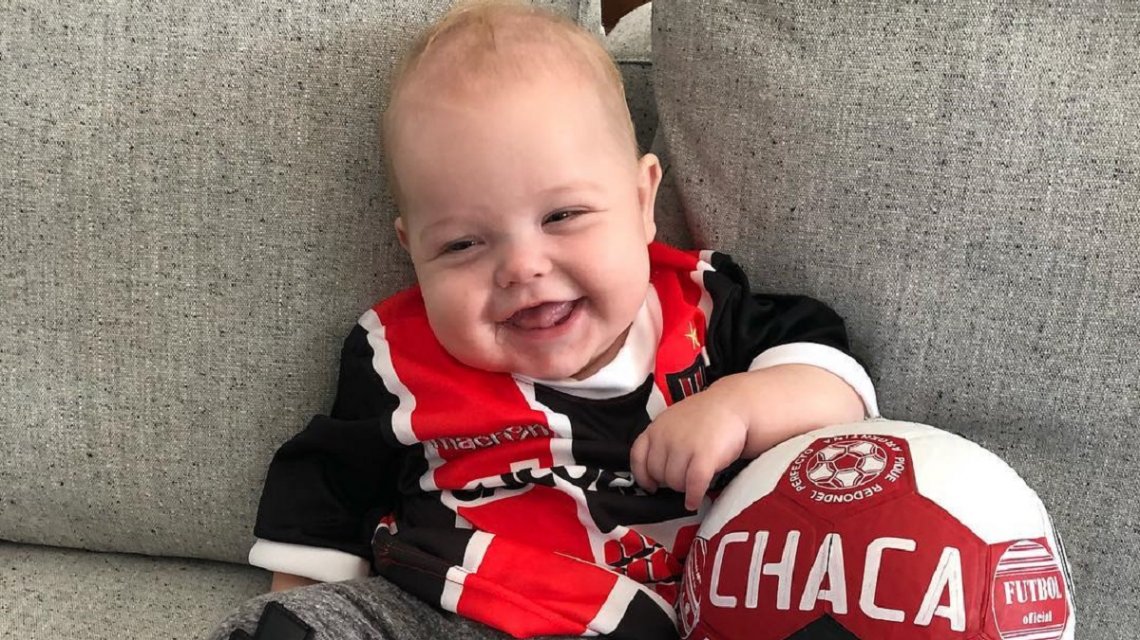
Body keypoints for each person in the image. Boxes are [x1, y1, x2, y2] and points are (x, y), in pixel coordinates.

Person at [208, 2, 879, 639]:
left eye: (563, 216)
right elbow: (326, 486)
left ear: (642, 201)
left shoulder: (704, 309)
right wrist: (300, 606)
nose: (523, 268)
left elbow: (833, 380)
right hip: (449, 600)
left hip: (654, 614)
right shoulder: (395, 356)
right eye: (462, 245)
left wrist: (739, 407)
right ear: (413, 251)